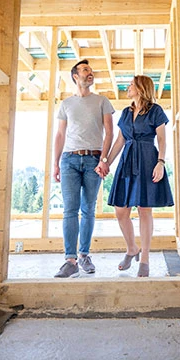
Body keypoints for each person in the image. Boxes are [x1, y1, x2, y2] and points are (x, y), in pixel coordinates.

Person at [102, 75, 174, 277]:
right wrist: (106, 162)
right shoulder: (125, 112)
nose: (128, 87)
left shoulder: (156, 111)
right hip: (127, 162)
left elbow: (162, 140)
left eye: (132, 84)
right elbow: (119, 141)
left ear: (141, 89)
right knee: (120, 210)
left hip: (148, 160)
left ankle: (144, 258)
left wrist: (160, 162)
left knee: (144, 209)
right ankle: (132, 248)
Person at [53, 59, 115, 278]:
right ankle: (70, 260)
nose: (90, 74)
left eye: (91, 71)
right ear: (75, 76)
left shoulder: (102, 101)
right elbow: (60, 135)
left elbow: (110, 132)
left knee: (88, 209)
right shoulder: (66, 104)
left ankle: (84, 255)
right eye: (85, 71)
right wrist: (56, 163)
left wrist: (104, 159)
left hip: (93, 160)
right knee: (70, 209)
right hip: (69, 160)